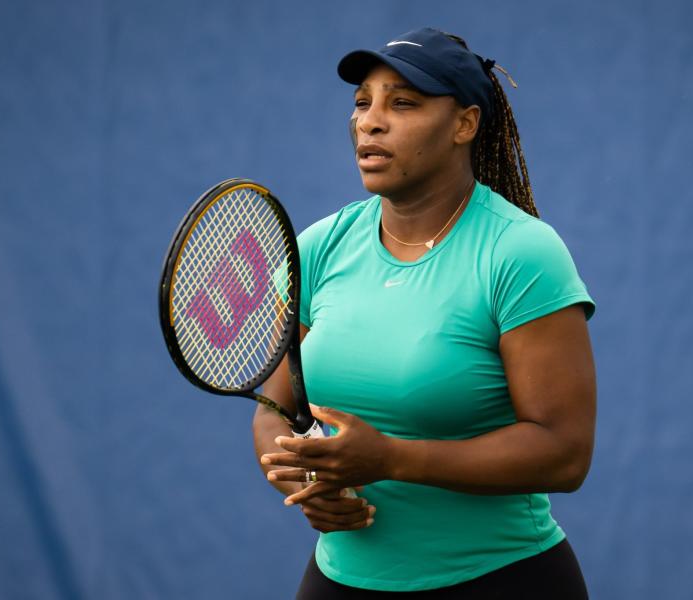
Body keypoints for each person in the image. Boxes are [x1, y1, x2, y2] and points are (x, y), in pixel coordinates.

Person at [252, 27, 596, 598]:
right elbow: (273, 410)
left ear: (464, 124)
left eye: (402, 103)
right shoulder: (317, 247)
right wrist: (307, 476)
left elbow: (564, 454)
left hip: (500, 579)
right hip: (340, 580)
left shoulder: (521, 253)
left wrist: (389, 458)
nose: (370, 121)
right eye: (362, 102)